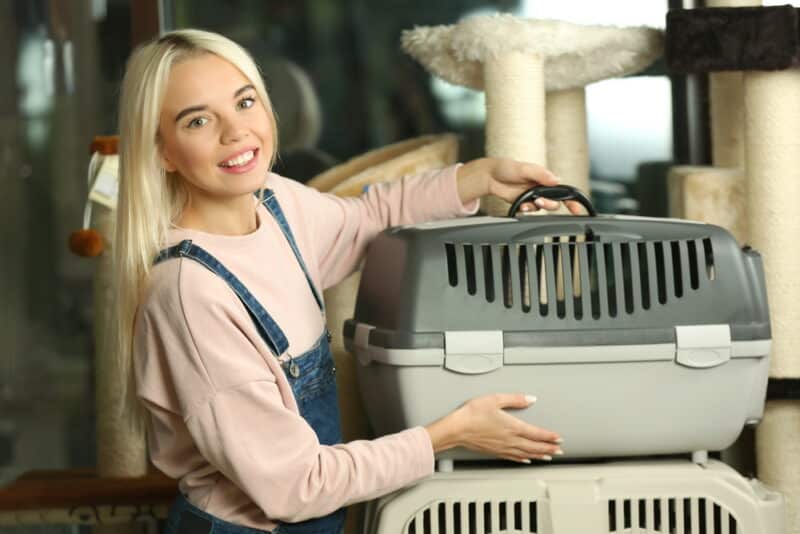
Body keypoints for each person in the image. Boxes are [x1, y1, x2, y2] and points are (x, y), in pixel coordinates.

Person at [113, 29, 577, 534]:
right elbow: (295, 486)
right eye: (198, 120)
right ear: (161, 151)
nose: (235, 132)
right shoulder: (191, 293)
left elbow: (366, 218)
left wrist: (483, 177)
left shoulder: (275, 204)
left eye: (244, 102)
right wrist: (448, 435)